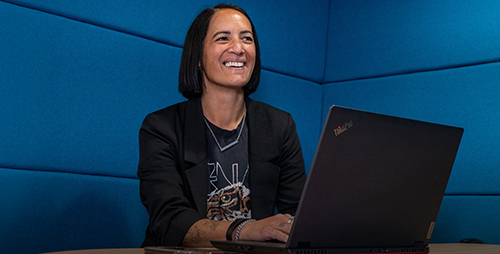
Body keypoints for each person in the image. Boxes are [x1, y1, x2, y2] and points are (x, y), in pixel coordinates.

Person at [137, 4, 306, 248]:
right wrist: (245, 230)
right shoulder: (161, 127)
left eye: (246, 39)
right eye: (223, 38)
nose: (238, 48)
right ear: (197, 56)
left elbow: (298, 211)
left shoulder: (280, 126)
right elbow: (170, 220)